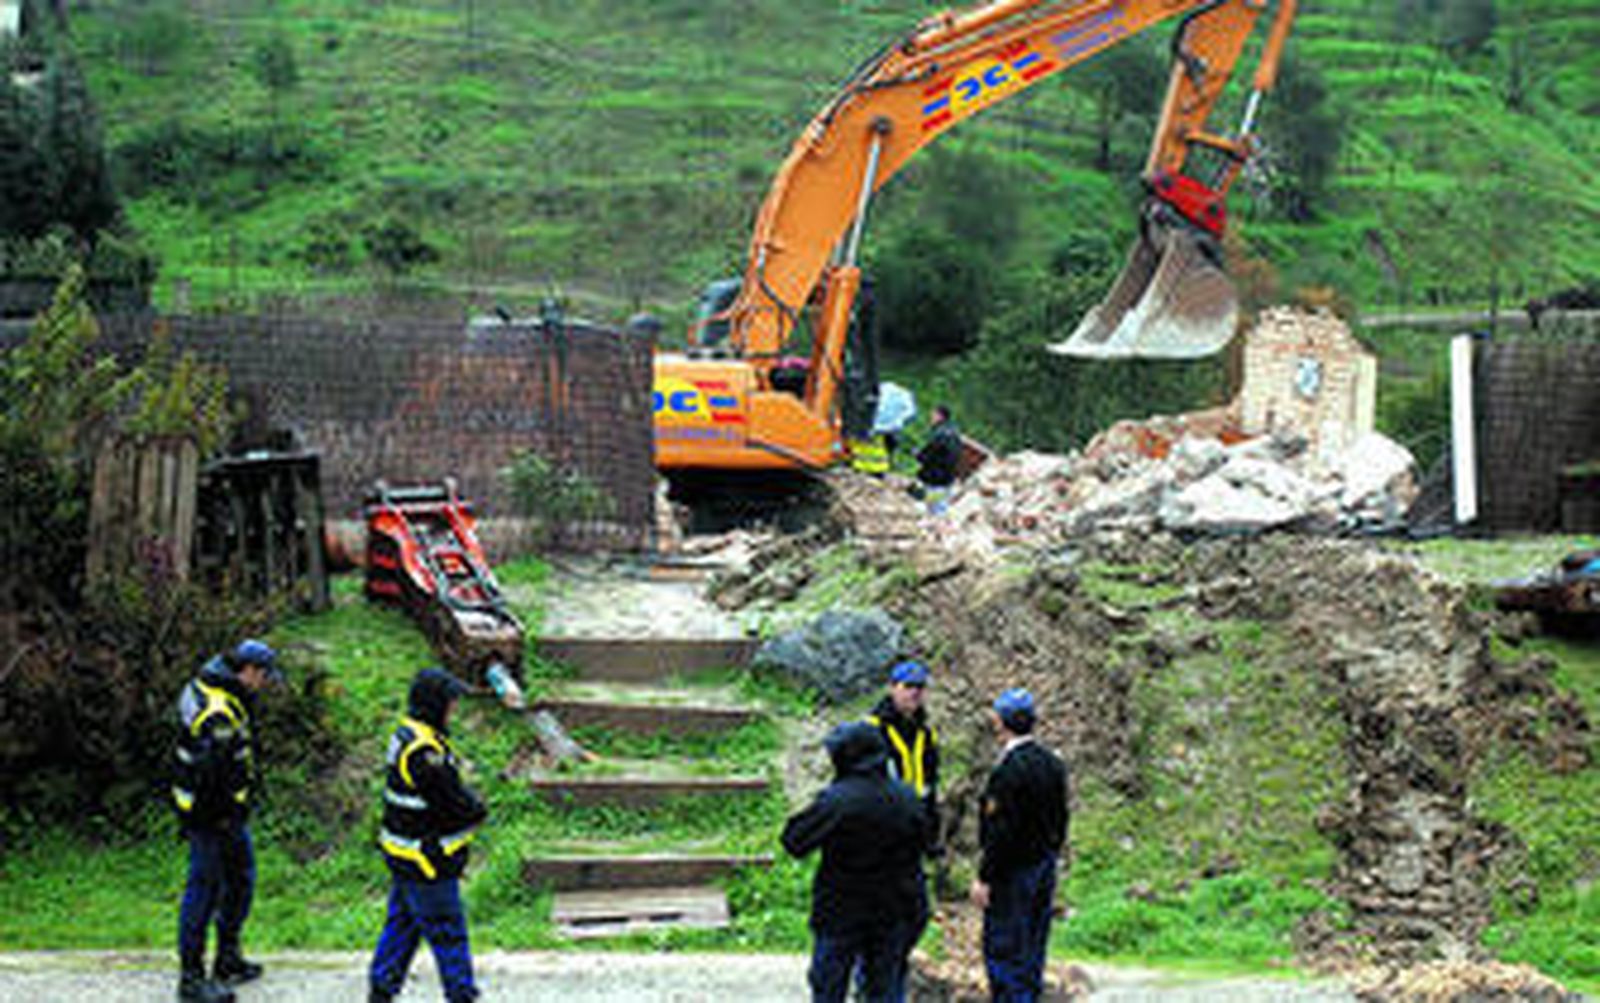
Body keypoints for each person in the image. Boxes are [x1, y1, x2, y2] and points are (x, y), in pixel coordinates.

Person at [782, 721, 928, 1003]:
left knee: (829, 984)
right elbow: (929, 842)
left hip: (841, 909)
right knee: (886, 986)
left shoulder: (837, 801)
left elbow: (794, 841)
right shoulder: (907, 797)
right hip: (894, 907)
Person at [171, 638, 283, 1003]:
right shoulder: (218, 710)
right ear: (248, 671)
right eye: (265, 677)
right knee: (204, 890)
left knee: (241, 880)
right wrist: (217, 819)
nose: (266, 685)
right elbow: (210, 774)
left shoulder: (209, 683)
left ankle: (227, 959)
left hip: (225, 812)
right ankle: (191, 980)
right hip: (211, 815)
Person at [369, 667, 488, 1003]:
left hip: (403, 854)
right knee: (449, 934)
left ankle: (380, 991)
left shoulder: (407, 732)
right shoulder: (425, 752)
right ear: (435, 703)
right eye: (451, 701)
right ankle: (461, 995)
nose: (455, 708)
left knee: (402, 928)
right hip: (427, 860)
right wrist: (478, 808)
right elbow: (453, 804)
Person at [970, 689, 1069, 1003]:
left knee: (1004, 946)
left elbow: (1001, 832)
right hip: (1044, 863)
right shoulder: (1052, 763)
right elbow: (1062, 817)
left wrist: (985, 876)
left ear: (1000, 722)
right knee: (1033, 944)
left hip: (1012, 871)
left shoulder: (1008, 770)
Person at [866, 659, 941, 855]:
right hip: (884, 822)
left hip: (915, 821)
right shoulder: (872, 729)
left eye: (920, 687)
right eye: (908, 686)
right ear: (892, 688)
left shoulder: (926, 734)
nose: (915, 693)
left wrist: (932, 831)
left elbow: (930, 784)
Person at [915, 405, 962, 514]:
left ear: (940, 416)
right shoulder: (954, 432)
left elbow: (931, 453)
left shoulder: (940, 434)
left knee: (932, 508)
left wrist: (919, 455)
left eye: (933, 415)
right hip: (947, 477)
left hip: (936, 477)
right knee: (940, 506)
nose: (931, 417)